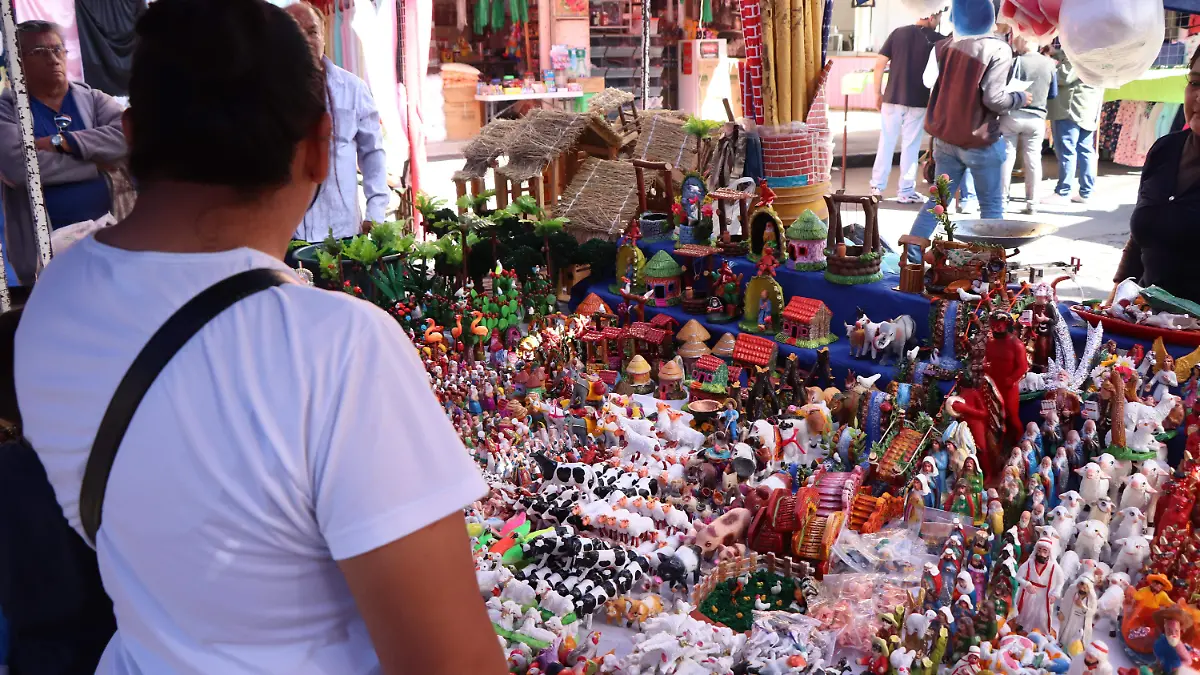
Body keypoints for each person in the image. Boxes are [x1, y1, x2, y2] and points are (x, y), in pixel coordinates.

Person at [12, 1, 505, 673]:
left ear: (129, 132)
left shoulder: (54, 299)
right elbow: (453, 662)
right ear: (320, 144)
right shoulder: (338, 348)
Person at [0, 20, 128, 286]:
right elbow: (18, 167)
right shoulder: (8, 108)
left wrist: (60, 141)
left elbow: (127, 138)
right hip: (46, 253)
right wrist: (94, 165)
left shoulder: (93, 99)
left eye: (58, 49)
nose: (53, 58)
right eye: (39, 52)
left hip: (111, 236)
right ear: (18, 61)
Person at [906, 7, 1030, 261]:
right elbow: (994, 99)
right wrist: (1019, 97)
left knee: (937, 202)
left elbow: (930, 83)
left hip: (946, 137)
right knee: (991, 207)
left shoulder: (943, 46)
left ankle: (912, 259)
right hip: (980, 140)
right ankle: (989, 270)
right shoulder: (998, 49)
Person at [285, 1, 389, 243]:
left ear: (323, 36)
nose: (306, 40)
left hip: (343, 231)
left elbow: (373, 153)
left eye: (312, 32)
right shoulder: (266, 93)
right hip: (287, 235)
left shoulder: (352, 88)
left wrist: (376, 211)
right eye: (295, 33)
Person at [1108, 45, 1200, 305]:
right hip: (1145, 322)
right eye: (1195, 83)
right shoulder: (1165, 150)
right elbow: (1141, 238)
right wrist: (1116, 294)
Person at [870, 9, 946, 203]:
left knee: (886, 142)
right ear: (931, 16)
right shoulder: (939, 40)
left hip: (892, 98)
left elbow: (880, 64)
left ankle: (876, 188)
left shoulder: (898, 33)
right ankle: (905, 192)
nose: (938, 21)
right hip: (918, 102)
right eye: (938, 18)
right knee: (910, 147)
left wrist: (877, 93)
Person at [1000, 36, 1057, 214]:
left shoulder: (1016, 61)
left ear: (1024, 42)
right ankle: (1032, 203)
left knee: (1006, 159)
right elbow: (1053, 94)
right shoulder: (1050, 64)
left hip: (1013, 115)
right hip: (1037, 117)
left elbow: (1005, 87)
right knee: (1033, 160)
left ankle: (1002, 201)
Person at [1048, 51, 1103, 204]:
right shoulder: (1100, 54)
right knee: (1085, 150)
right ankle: (1086, 192)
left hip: (1071, 109)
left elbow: (1063, 77)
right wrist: (1057, 54)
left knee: (1067, 150)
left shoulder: (1078, 52)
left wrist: (1050, 66)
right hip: (1089, 108)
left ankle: (1063, 191)